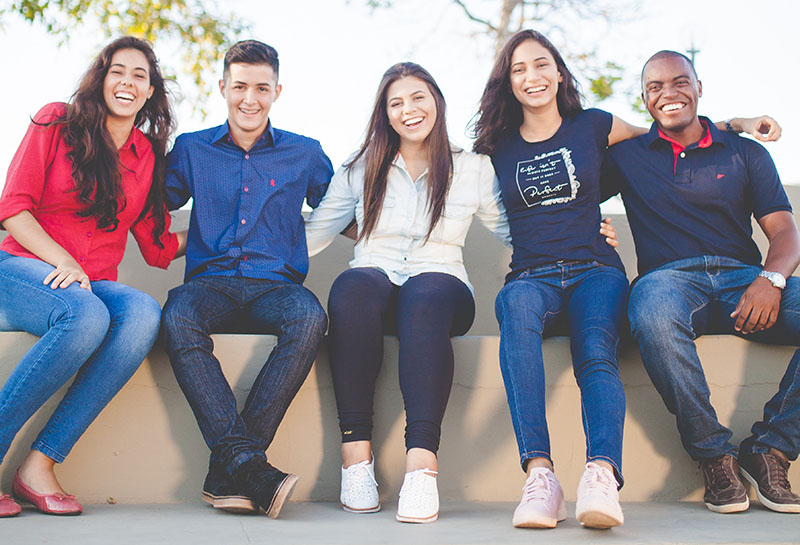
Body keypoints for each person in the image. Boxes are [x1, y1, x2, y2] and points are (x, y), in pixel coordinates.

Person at [472, 29, 776, 529]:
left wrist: (737, 123)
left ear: (559, 72)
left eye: (542, 64)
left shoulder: (594, 125)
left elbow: (669, 133)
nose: (533, 76)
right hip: (531, 274)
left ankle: (601, 475)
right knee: (516, 313)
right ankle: (540, 476)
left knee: (595, 349)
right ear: (507, 81)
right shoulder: (494, 147)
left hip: (596, 269)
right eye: (520, 68)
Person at [304, 62, 516, 523]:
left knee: (424, 295)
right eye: (395, 103)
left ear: (436, 100)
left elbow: (513, 230)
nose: (408, 109)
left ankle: (421, 466)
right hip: (374, 282)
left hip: (442, 286)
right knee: (352, 287)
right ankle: (356, 459)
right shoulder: (360, 169)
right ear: (385, 114)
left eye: (417, 97)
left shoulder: (473, 169)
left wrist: (581, 234)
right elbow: (313, 235)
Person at [602, 50, 800, 515]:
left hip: (745, 281)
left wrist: (771, 279)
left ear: (698, 87)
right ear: (645, 100)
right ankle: (715, 457)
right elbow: (572, 161)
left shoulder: (745, 152)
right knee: (649, 312)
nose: (668, 94)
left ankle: (770, 449)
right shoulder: (626, 157)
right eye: (655, 87)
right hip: (668, 283)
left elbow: (785, 232)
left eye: (679, 82)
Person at [0, 36, 183, 517]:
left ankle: (38, 465)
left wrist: (233, 234)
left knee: (143, 313)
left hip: (91, 282)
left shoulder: (147, 156)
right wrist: (62, 260)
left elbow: (157, 245)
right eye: (117, 71)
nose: (127, 81)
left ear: (149, 92)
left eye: (139, 75)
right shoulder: (56, 120)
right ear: (101, 79)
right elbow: (13, 210)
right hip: (23, 265)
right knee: (84, 317)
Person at [160, 39, 333, 519]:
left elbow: (347, 209)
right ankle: (250, 467)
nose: (250, 99)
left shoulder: (305, 153)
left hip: (277, 286)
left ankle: (232, 468)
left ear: (278, 90)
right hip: (208, 284)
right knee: (176, 316)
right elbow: (149, 203)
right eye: (240, 87)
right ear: (223, 87)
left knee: (309, 318)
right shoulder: (192, 149)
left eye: (262, 87)